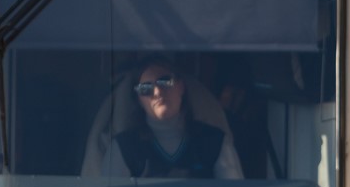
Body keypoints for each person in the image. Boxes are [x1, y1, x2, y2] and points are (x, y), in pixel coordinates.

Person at [88, 59, 245, 180]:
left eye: (165, 82)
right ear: (139, 99)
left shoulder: (215, 142)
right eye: (145, 88)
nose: (157, 91)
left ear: (181, 87)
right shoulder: (123, 147)